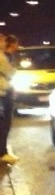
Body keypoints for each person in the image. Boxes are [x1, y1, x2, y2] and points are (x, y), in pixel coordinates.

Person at [0, 34, 19, 165]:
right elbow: (11, 72)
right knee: (4, 123)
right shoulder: (1, 57)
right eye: (2, 41)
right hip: (3, 92)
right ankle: (2, 153)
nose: (4, 43)